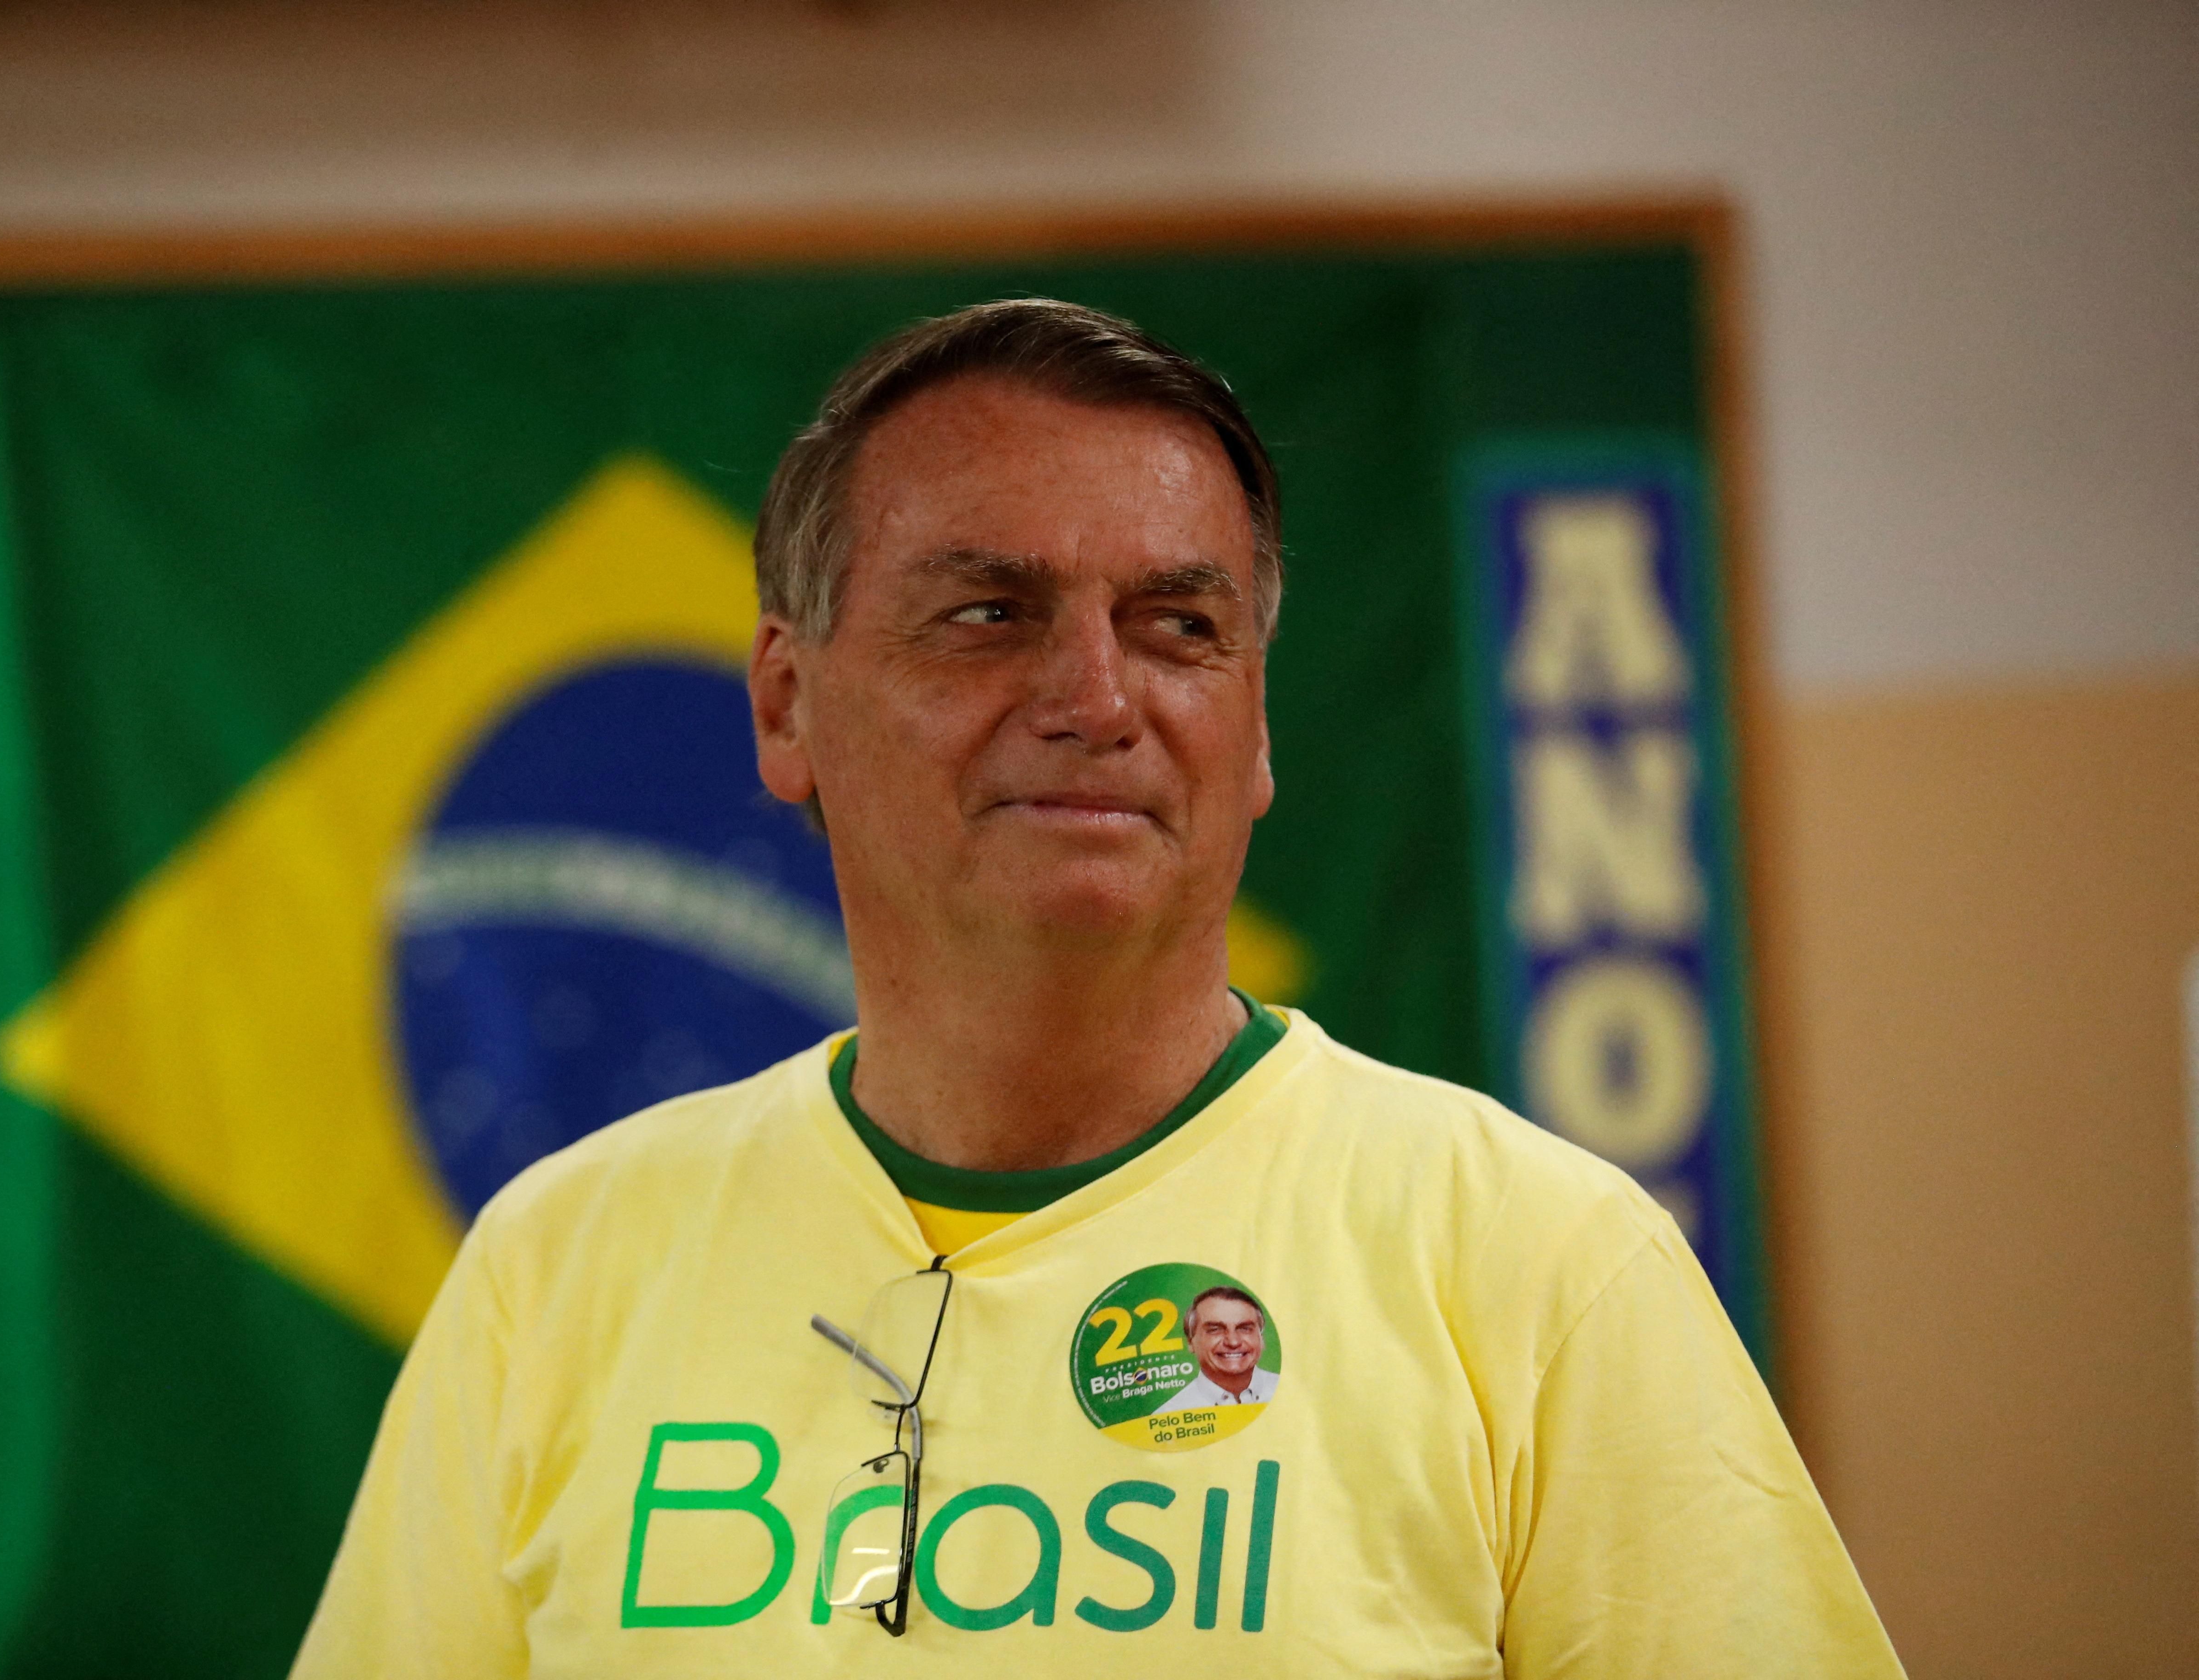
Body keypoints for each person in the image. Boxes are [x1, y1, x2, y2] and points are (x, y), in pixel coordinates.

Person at [293, 299, 1905, 1674]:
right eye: (989, 614)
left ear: (1256, 726)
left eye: (1177, 623)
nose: (1094, 694)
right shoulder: (556, 1270)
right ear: (788, 703)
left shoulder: (1541, 1259)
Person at [1154, 1286, 1276, 1413]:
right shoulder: (1168, 1415)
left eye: (1244, 1328)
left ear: (1261, 1338)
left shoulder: (1290, 1391)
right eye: (1215, 1330)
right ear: (1191, 1342)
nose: (1233, 1342)